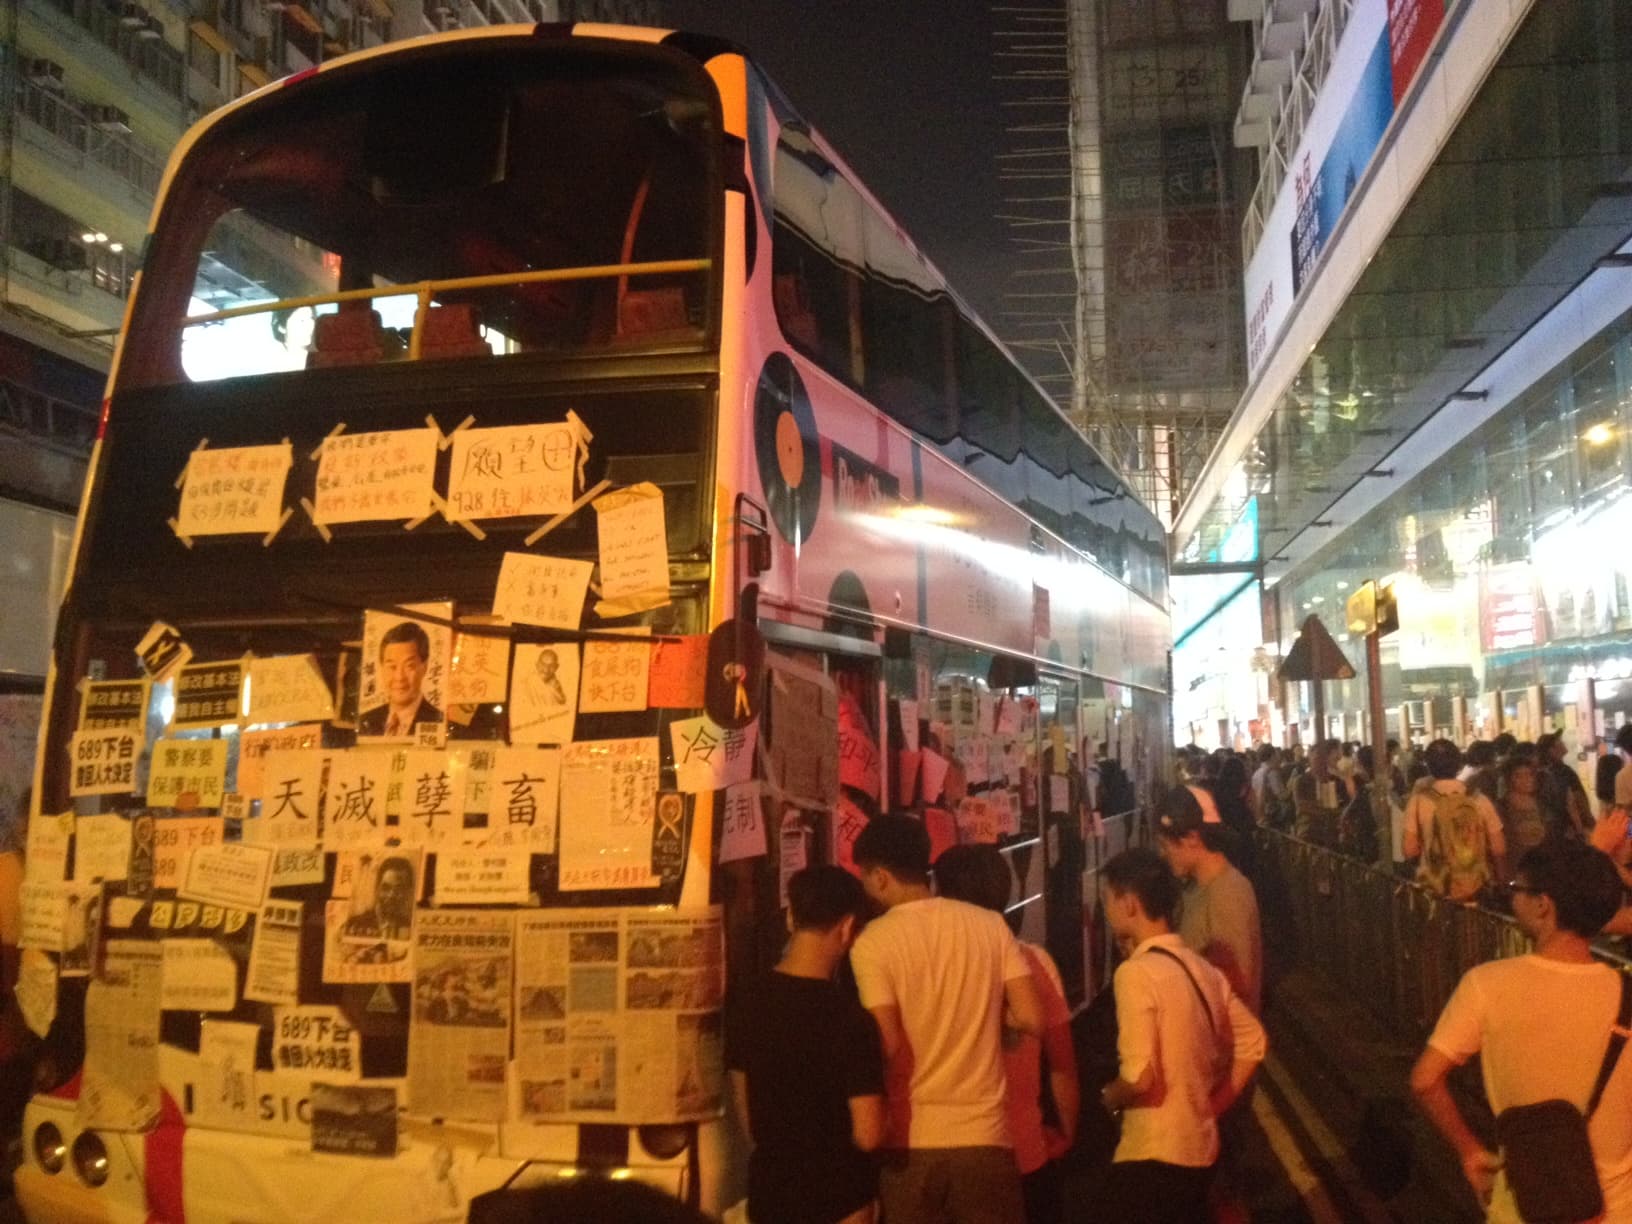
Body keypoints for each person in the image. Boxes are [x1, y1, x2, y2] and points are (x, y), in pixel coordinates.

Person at [1410, 841, 1631, 1219]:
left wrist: (1470, 1151)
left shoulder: (1487, 985)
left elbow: (1425, 1080)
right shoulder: (1626, 995)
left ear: (1543, 905)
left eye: (1517, 889)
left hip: (1524, 1206)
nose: (1512, 898)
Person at [849, 814, 1043, 1224]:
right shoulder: (990, 925)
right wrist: (988, 1012)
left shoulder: (872, 943)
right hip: (986, 1137)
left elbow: (887, 1042)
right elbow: (1032, 1017)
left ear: (880, 877)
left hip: (911, 1141)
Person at [1099, 848, 1267, 1224]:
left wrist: (1109, 1096)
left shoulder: (1136, 974)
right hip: (1200, 1150)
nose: (1106, 911)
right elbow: (1253, 1041)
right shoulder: (1203, 970)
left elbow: (1139, 1077)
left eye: (1108, 900)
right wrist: (1213, 1104)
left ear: (1129, 904)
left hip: (1152, 1154)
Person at [727, 866, 885, 1224]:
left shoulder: (748, 1002)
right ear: (847, 927)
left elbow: (748, 1120)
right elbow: (869, 1134)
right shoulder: (851, 1019)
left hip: (771, 1193)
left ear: (790, 918)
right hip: (840, 1197)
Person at [934, 846, 1078, 1224]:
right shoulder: (1035, 962)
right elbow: (1062, 1064)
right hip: (1024, 1149)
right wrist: (1066, 1131)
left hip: (949, 1156)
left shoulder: (931, 968)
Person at [1154, 785, 1262, 1016]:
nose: (1163, 854)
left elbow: (1236, 989)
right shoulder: (1201, 887)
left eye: (1165, 845)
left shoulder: (1227, 894)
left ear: (1192, 838)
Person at [1404, 739, 1505, 903]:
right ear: (1459, 764)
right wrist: (1500, 882)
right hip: (1476, 890)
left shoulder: (1419, 802)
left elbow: (1409, 850)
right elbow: (1498, 849)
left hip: (1435, 893)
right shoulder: (1479, 799)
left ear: (1428, 766)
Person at [357, 621, 443, 737]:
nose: (399, 677)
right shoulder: (366, 720)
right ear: (381, 668)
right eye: (392, 667)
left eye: (409, 666)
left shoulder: (438, 720)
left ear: (424, 667)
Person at [340, 855, 415, 961]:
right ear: (377, 888)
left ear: (408, 893)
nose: (391, 895)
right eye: (386, 888)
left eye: (399, 889)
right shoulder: (355, 924)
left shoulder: (411, 928)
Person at [1537, 731, 1591, 840]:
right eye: (1559, 742)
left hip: (1554, 827)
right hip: (1569, 826)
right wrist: (1584, 822)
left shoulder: (1543, 772)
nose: (1563, 744)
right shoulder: (1563, 771)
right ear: (1551, 750)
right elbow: (1574, 800)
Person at [1497, 746, 1548, 859]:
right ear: (1508, 779)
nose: (1526, 779)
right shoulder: (1502, 807)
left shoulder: (1540, 802)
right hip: (1517, 860)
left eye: (1529, 774)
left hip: (1542, 859)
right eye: (1518, 776)